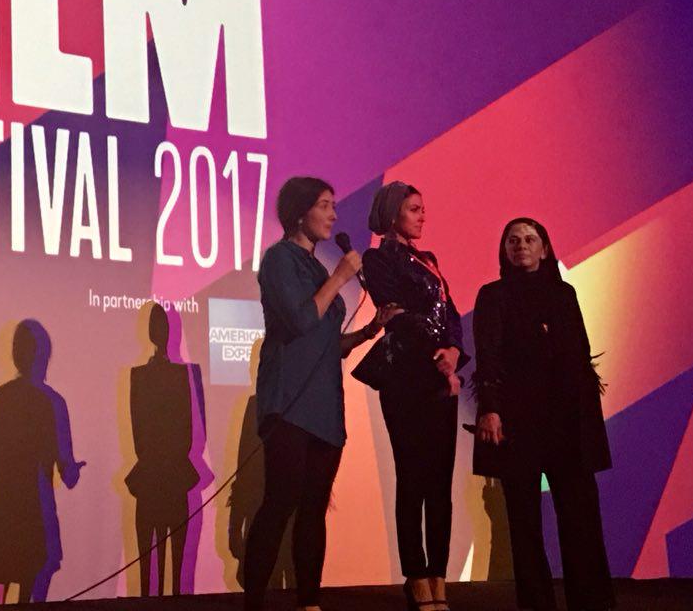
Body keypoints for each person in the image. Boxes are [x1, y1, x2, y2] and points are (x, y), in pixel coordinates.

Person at [243, 177, 403, 611]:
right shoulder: (279, 259)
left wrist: (370, 331)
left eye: (334, 205)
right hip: (288, 402)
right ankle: (253, 600)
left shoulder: (317, 268)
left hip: (325, 405)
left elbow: (328, 342)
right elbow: (300, 320)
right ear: (300, 213)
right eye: (325, 205)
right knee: (281, 502)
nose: (334, 214)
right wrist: (340, 276)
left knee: (314, 508)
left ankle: (309, 601)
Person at [472, 218, 613, 611]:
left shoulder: (564, 294)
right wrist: (491, 408)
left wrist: (585, 416)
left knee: (580, 516)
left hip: (565, 419)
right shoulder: (493, 296)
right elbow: (488, 356)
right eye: (513, 240)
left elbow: (580, 354)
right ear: (504, 250)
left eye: (530, 239)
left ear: (545, 248)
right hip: (517, 420)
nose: (521, 245)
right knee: (524, 522)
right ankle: (537, 604)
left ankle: (591, 601)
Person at [361, 182, 467, 611]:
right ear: (392, 214)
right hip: (406, 378)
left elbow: (450, 312)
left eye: (423, 209)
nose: (423, 216)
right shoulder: (378, 259)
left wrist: (454, 350)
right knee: (413, 479)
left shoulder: (430, 260)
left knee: (440, 482)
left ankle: (439, 574)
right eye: (414, 209)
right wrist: (436, 354)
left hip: (441, 377)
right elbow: (398, 315)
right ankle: (416, 575)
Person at [0, 320, 85, 604]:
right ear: (44, 356)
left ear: (15, 354)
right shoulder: (54, 403)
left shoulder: (0, 398)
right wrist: (75, 469)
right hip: (37, 526)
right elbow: (68, 476)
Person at [125, 303, 203, 596]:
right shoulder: (180, 375)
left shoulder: (141, 376)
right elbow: (187, 434)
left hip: (151, 478)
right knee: (173, 569)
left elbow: (140, 437)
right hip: (172, 478)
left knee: (153, 570)